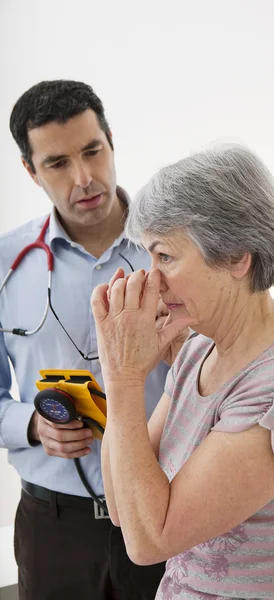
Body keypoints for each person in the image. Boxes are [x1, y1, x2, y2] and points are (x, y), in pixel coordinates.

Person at [92, 144, 274, 600]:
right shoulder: (199, 350)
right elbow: (121, 505)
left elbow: (148, 540)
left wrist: (123, 379)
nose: (150, 280)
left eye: (166, 257)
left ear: (237, 257)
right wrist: (124, 371)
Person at [0, 80, 170, 600]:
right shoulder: (5, 264)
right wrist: (28, 424)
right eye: (57, 163)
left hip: (167, 513)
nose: (84, 178)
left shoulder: (176, 250)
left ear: (112, 141)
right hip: (54, 526)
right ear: (30, 170)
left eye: (93, 151)